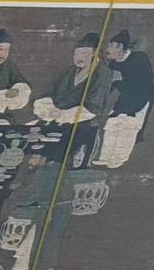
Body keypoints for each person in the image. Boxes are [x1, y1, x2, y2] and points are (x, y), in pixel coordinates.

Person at [33, 32, 108, 169]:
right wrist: (49, 107)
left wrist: (63, 115)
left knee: (58, 150)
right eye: (76, 54)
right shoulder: (68, 72)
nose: (79, 58)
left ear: (94, 53)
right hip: (57, 118)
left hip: (84, 122)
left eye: (84, 53)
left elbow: (94, 106)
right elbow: (50, 93)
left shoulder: (103, 74)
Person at [2, 150, 74, 270]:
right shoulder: (58, 166)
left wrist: (16, 202)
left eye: (33, 157)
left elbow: (33, 194)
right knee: (51, 237)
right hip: (65, 206)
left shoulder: (43, 171)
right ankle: (41, 266)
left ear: (43, 157)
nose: (31, 161)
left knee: (40, 237)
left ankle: (36, 266)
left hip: (50, 208)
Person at [94, 29, 154, 170]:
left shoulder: (139, 58)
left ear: (121, 47)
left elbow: (143, 83)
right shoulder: (114, 64)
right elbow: (109, 85)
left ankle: (119, 159)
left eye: (111, 46)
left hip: (141, 98)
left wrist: (120, 80)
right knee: (112, 124)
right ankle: (105, 157)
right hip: (124, 98)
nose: (108, 49)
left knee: (128, 126)